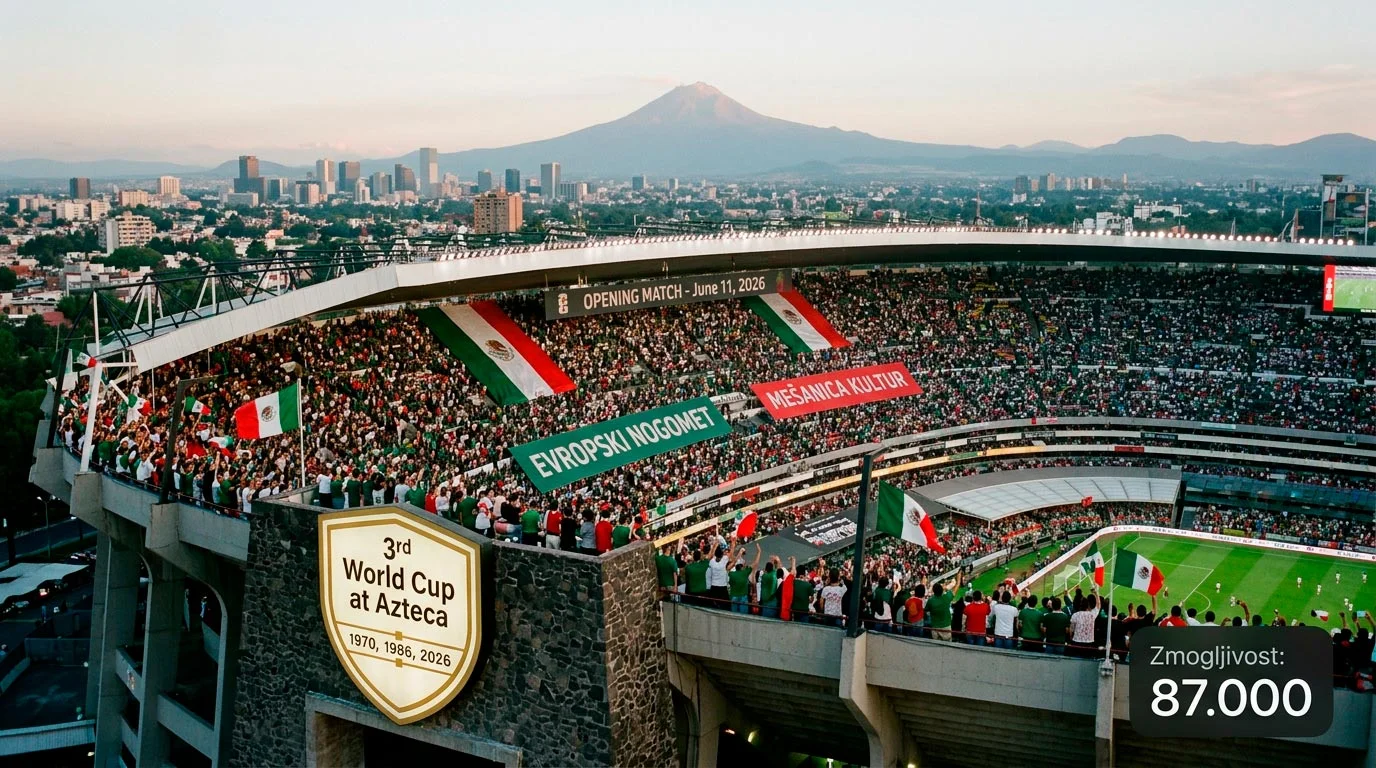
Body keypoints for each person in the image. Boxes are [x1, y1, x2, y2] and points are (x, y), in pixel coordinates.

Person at [728, 543, 760, 614]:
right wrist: (759, 552)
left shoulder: (731, 573)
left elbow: (731, 563)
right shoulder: (744, 572)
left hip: (734, 595)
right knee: (743, 615)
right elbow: (755, 563)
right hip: (743, 595)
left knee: (734, 615)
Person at [927, 573, 958, 641]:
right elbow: (956, 587)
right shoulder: (946, 597)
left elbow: (926, 610)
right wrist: (959, 577)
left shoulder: (931, 600)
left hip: (935, 627)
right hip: (946, 626)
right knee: (948, 645)